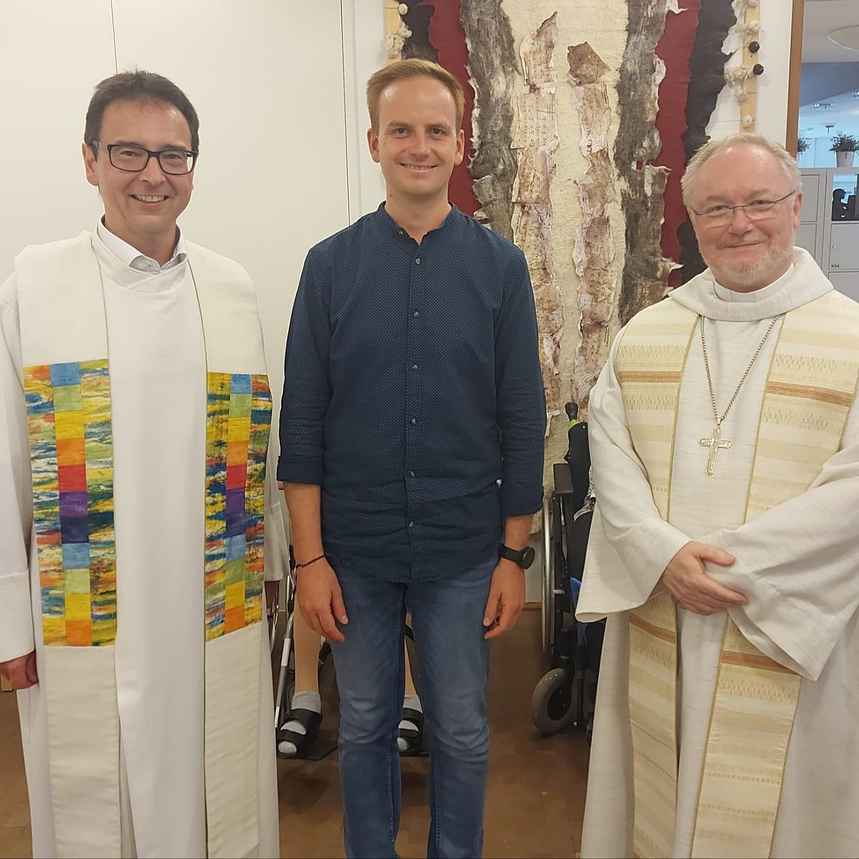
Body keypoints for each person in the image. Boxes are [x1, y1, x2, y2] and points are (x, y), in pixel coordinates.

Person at [0, 70, 286, 858]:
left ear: (194, 166)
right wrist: (9, 618)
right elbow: (5, 462)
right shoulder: (35, 286)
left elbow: (255, 458)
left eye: (174, 155)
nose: (152, 174)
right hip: (84, 611)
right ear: (89, 160)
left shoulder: (228, 288)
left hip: (208, 601)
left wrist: (268, 567)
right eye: (128, 151)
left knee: (214, 792)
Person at [278, 58, 545, 858]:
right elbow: (303, 420)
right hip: (352, 548)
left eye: (435, 131)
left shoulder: (500, 267)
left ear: (458, 144)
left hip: (463, 547)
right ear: (373, 142)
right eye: (402, 130)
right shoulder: (329, 267)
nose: (418, 145)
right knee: (361, 723)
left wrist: (512, 551)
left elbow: (521, 415)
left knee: (460, 726)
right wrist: (309, 560)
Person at [576, 132, 859, 858]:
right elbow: (609, 459)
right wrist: (663, 553)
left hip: (790, 621)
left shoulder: (849, 335)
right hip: (661, 605)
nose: (740, 224)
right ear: (691, 220)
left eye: (759, 202)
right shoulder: (645, 334)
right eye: (716, 208)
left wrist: (728, 567)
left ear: (795, 207)